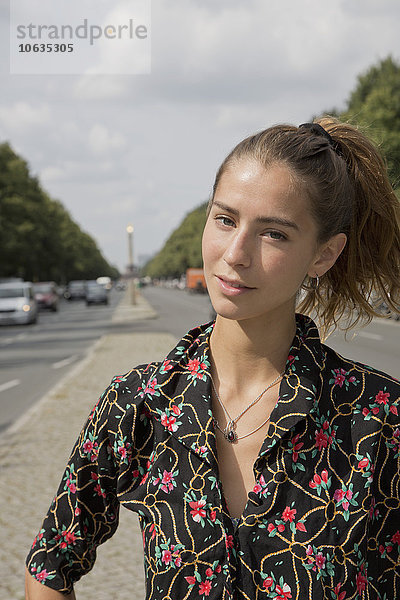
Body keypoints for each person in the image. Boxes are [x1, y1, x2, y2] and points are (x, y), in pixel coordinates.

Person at [25, 117, 400, 600]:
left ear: (323, 256)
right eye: (225, 220)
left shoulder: (380, 418)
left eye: (275, 234)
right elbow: (50, 565)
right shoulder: (137, 404)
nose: (236, 253)